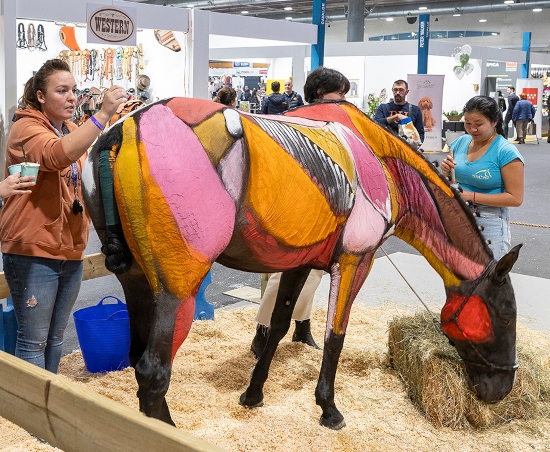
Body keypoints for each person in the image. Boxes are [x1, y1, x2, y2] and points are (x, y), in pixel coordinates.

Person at [0, 59, 126, 373]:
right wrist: (102, 114)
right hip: (32, 246)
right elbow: (57, 156)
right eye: (62, 91)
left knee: (56, 337)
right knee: (33, 339)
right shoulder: (26, 128)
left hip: (69, 244)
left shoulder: (70, 128)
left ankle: (48, 406)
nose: (72, 97)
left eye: (74, 90)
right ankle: (31, 417)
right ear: (41, 96)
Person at [251, 66, 350, 359]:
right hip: (296, 207)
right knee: (287, 272)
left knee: (317, 273)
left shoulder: (335, 125)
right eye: (339, 92)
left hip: (329, 207)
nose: (343, 98)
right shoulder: (296, 121)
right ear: (320, 94)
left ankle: (301, 325)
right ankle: (263, 331)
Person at [440, 96, 524, 260]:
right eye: (468, 124)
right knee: (459, 277)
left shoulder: (506, 152)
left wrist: (472, 196)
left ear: (494, 121)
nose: (472, 129)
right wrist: (445, 173)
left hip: (490, 223)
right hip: (458, 218)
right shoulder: (460, 143)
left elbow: (515, 198)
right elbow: (452, 182)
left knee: (487, 279)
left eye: (478, 124)